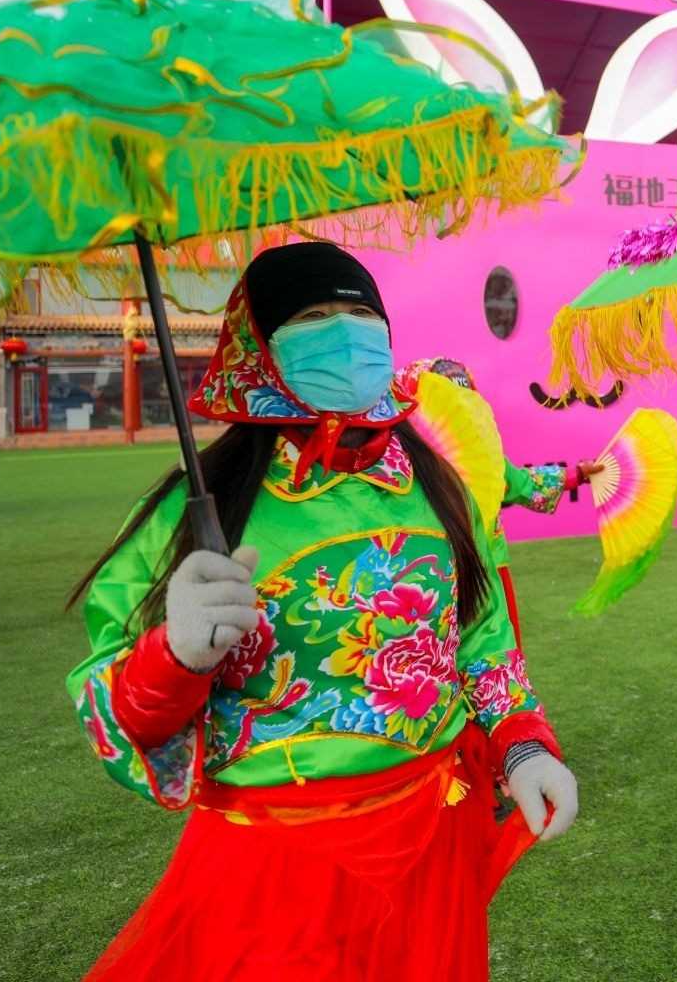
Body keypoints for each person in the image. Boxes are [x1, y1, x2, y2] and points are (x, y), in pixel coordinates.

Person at [65, 242, 582, 982]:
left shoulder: (435, 486)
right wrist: (174, 658)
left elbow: (481, 639)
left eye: (360, 316)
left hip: (433, 834)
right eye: (312, 317)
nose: (343, 333)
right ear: (259, 346)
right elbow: (113, 708)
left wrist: (523, 744)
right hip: (273, 855)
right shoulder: (197, 507)